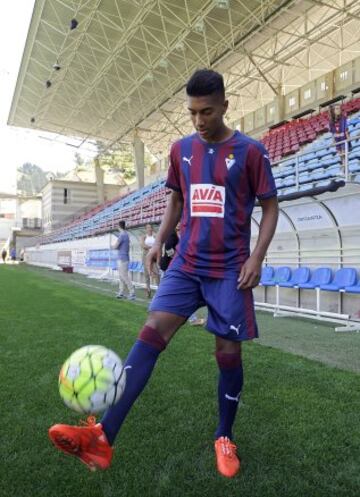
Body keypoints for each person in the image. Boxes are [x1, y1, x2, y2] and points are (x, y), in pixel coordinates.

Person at [49, 69, 279, 478]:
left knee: (228, 353)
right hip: (186, 264)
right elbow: (175, 199)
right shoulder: (181, 149)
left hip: (229, 270)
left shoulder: (251, 152)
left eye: (206, 112)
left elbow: (270, 206)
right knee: (151, 332)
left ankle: (224, 435)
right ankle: (103, 438)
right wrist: (158, 241)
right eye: (192, 113)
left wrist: (256, 257)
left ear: (225, 106)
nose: (198, 121)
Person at [114, 220, 135, 301]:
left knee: (124, 276)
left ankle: (132, 292)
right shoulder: (126, 235)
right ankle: (121, 292)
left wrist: (112, 246)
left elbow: (116, 246)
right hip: (123, 257)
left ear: (119, 226)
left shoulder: (122, 235)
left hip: (122, 258)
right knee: (121, 276)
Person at [328, 104, 352, 171]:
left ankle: (345, 169)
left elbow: (346, 129)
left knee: (344, 154)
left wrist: (348, 139)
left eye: (339, 108)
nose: (339, 110)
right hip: (337, 140)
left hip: (343, 138)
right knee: (341, 156)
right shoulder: (331, 121)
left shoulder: (343, 118)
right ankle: (344, 168)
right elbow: (332, 132)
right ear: (333, 111)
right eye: (337, 108)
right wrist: (333, 142)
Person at [141, 224, 160, 298]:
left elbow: (158, 244)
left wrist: (152, 248)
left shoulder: (155, 236)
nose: (149, 229)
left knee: (157, 273)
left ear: (152, 228)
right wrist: (152, 247)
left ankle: (159, 290)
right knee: (146, 274)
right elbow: (143, 245)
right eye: (148, 227)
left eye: (150, 227)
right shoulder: (143, 236)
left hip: (154, 255)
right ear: (145, 229)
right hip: (146, 255)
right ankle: (148, 290)